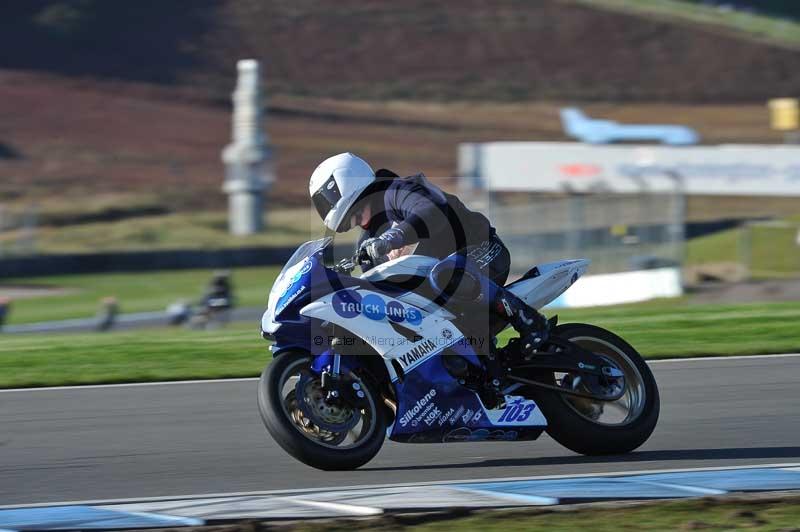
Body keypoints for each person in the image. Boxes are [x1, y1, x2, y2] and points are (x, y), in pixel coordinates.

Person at [308, 152, 549, 353]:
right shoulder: (368, 243)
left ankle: (529, 321)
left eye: (356, 214)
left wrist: (392, 239)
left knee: (444, 272)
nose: (357, 223)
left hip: (483, 252)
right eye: (350, 222)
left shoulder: (399, 191)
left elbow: (432, 211)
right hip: (447, 298)